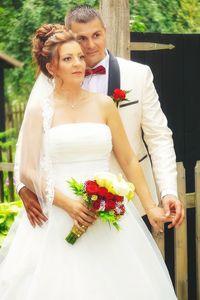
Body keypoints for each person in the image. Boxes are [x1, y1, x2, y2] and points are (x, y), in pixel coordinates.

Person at [0, 24, 177, 299]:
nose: (78, 63)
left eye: (80, 57)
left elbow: (129, 160)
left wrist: (151, 208)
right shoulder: (39, 109)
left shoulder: (104, 105)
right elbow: (27, 169)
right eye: (68, 59)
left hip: (107, 214)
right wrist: (69, 204)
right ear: (51, 68)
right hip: (57, 215)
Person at [14, 5, 184, 230]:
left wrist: (167, 192)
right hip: (63, 204)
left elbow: (158, 137)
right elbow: (26, 142)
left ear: (105, 30)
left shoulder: (138, 75)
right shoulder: (47, 82)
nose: (91, 45)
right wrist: (23, 186)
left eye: (96, 35)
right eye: (81, 38)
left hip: (126, 201)